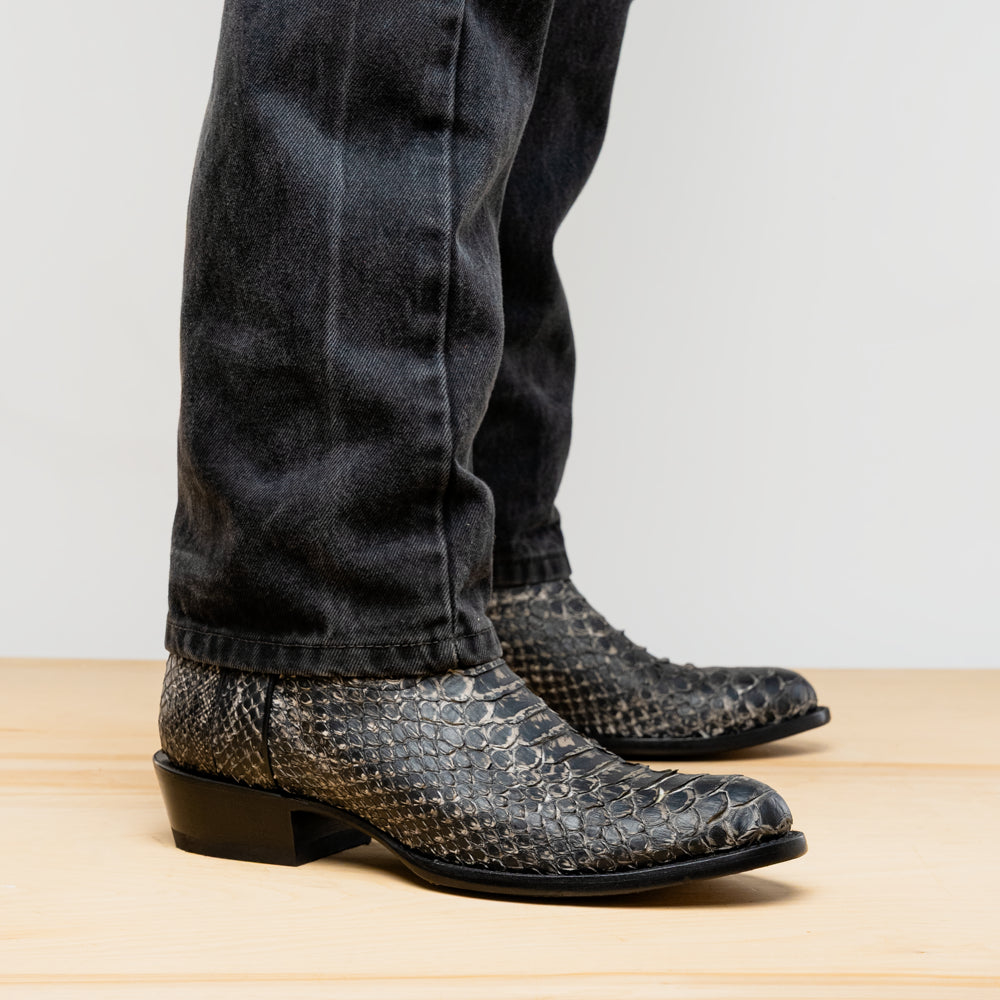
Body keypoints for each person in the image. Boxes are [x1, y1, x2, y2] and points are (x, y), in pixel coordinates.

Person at [154, 0, 829, 897]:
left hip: (456, 568)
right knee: (388, 36)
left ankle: (481, 576)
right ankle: (327, 628)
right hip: (327, 645)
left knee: (525, 61)